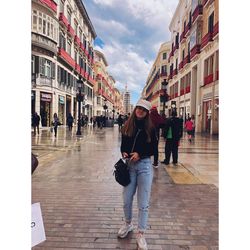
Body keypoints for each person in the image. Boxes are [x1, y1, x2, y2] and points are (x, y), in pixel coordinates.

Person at [118, 99, 157, 250]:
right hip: (129, 166)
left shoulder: (150, 128)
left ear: (147, 113)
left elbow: (153, 149)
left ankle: (141, 233)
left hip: (144, 167)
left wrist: (140, 154)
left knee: (143, 203)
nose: (140, 111)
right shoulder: (127, 126)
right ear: (135, 109)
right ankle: (128, 224)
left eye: (143, 109)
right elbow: (123, 145)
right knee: (126, 199)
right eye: (138, 108)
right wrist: (124, 152)